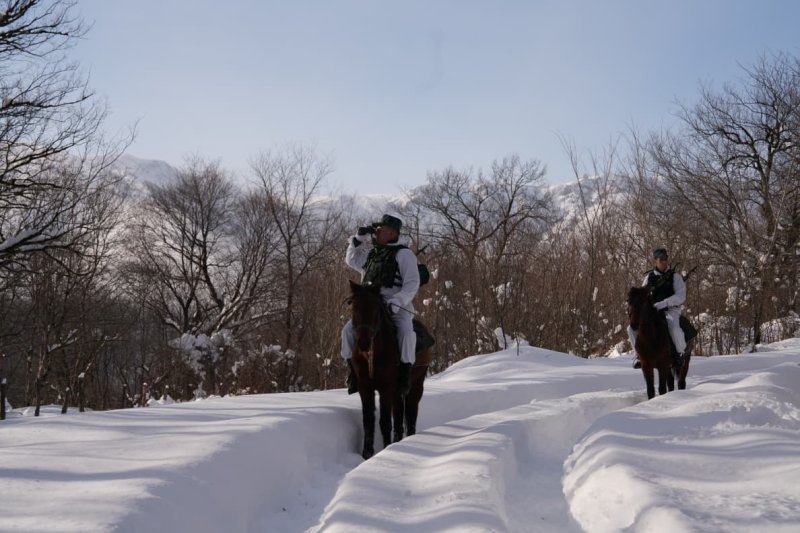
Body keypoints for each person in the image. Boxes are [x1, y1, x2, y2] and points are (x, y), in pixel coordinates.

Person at [341, 214, 420, 395]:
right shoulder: (373, 253)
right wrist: (358, 239)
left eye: (381, 229)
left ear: (392, 233)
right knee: (346, 331)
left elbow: (412, 283)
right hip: (370, 302)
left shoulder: (404, 254)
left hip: (394, 301)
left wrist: (398, 300)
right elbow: (351, 260)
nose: (376, 231)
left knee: (407, 332)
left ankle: (404, 374)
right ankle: (353, 373)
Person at [628, 247, 687, 369]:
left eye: (666, 259)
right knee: (631, 329)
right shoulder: (648, 278)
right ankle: (639, 355)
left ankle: (679, 354)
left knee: (673, 327)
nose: (664, 262)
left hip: (671, 310)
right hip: (652, 311)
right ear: (656, 260)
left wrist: (664, 303)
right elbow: (642, 296)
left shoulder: (675, 277)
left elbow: (681, 296)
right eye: (661, 259)